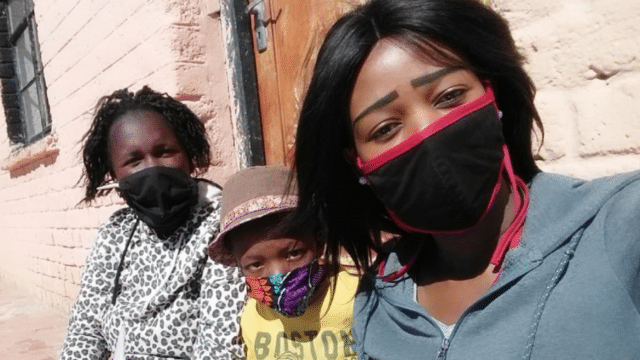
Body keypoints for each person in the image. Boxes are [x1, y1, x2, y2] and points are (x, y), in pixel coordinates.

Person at [290, 0, 640, 359]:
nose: (426, 131)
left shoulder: (621, 225)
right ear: (358, 164)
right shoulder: (376, 299)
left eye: (449, 96)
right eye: (386, 128)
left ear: (493, 95)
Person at [60, 86, 245, 360]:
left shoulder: (221, 228)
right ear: (114, 174)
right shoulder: (116, 233)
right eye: (134, 160)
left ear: (189, 156)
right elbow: (85, 328)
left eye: (165, 152)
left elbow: (221, 348)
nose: (152, 168)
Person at [208, 165, 359, 360]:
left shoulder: (356, 296)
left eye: (294, 254)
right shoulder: (254, 316)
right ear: (239, 266)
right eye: (255, 265)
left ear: (319, 242)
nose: (278, 274)